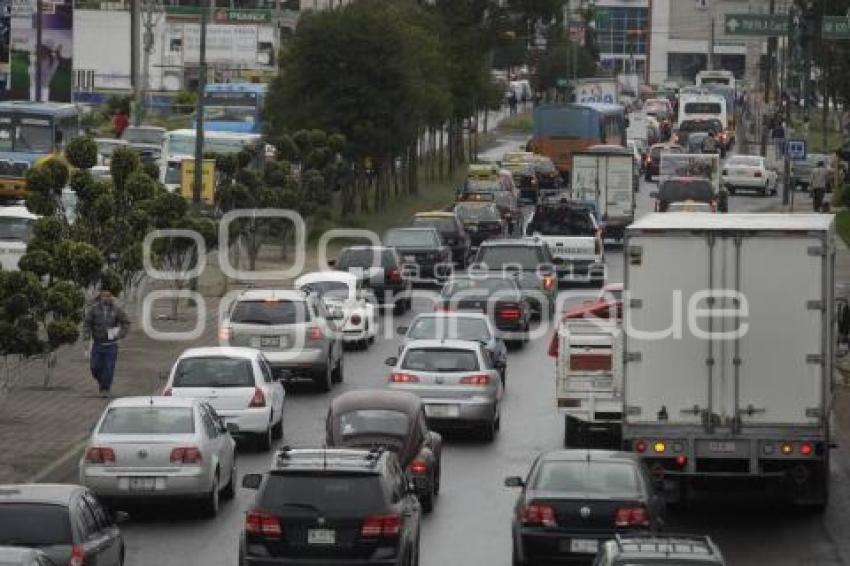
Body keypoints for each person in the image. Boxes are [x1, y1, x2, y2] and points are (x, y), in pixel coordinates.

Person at [83, 286, 130, 397]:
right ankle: (102, 382)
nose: (106, 298)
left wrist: (120, 334)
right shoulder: (93, 310)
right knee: (95, 367)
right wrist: (86, 336)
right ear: (100, 297)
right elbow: (87, 324)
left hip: (111, 346)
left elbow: (126, 323)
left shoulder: (116, 310)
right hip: (98, 345)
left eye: (108, 296)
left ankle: (105, 389)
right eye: (104, 296)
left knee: (109, 368)